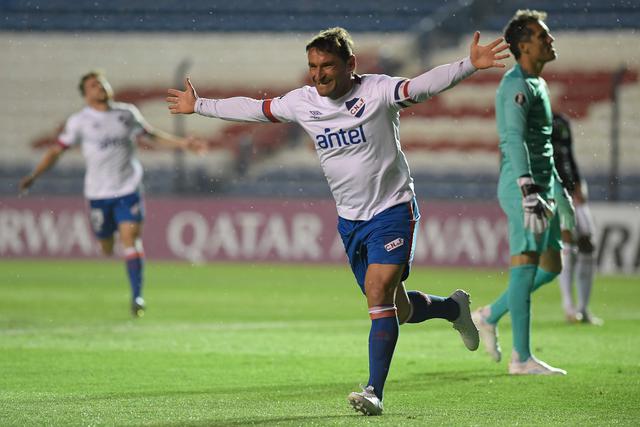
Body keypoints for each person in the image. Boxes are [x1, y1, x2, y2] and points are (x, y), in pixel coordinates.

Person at [167, 27, 509, 415]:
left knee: (379, 294)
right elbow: (256, 109)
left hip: (392, 209)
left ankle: (373, 392)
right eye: (312, 66)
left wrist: (470, 65)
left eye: (327, 65)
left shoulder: (377, 91)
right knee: (397, 306)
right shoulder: (303, 102)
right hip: (350, 220)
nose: (318, 74)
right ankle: (453, 309)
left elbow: (423, 86)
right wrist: (200, 106)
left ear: (351, 64)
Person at [19, 71, 204, 318]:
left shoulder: (126, 113)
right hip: (98, 193)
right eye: (94, 85)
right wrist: (34, 175)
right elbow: (56, 151)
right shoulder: (79, 121)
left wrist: (183, 144)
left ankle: (137, 296)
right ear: (85, 94)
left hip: (128, 189)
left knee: (131, 239)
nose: (100, 87)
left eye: (102, 82)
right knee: (106, 245)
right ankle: (110, 245)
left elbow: (150, 135)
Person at [471, 10, 575, 375]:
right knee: (525, 265)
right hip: (522, 189)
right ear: (523, 46)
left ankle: (490, 314)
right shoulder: (514, 85)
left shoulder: (538, 85)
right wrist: (529, 190)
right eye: (542, 36)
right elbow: (513, 139)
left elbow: (543, 146)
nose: (550, 40)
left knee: (551, 267)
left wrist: (560, 196)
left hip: (544, 188)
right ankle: (522, 358)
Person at [552, 112, 602, 325]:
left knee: (588, 243)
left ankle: (583, 308)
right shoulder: (531, 123)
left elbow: (568, 155)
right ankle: (569, 306)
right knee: (567, 242)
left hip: (573, 191)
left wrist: (579, 181)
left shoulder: (561, 122)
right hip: (554, 192)